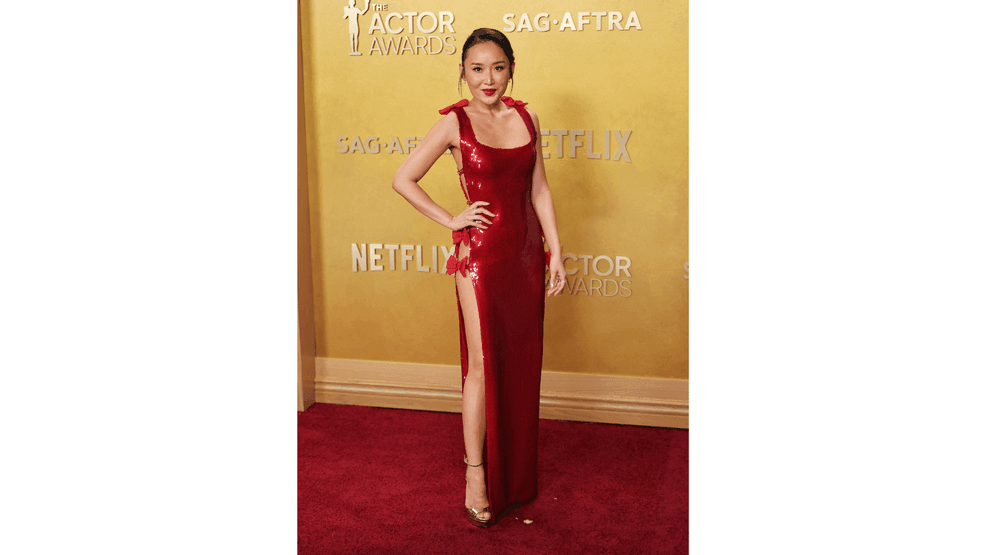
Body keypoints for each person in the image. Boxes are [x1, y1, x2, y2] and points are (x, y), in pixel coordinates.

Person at [392, 28, 566, 527]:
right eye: (477, 69)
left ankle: (516, 474)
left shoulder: (527, 117)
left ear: (510, 69)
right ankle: (476, 474)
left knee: (522, 361)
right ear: (463, 72)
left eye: (498, 68)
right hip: (481, 259)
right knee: (484, 365)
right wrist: (452, 219)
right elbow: (403, 178)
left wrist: (555, 250)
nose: (488, 79)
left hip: (526, 255)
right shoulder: (455, 123)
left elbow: (539, 189)